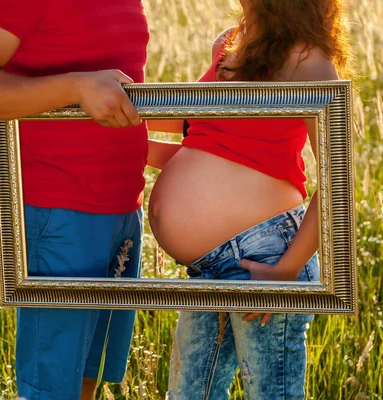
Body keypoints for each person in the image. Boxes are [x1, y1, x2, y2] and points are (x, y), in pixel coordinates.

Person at [0, 1, 150, 399]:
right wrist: (74, 87)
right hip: (60, 213)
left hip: (124, 207)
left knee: (88, 378)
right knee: (53, 391)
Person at [146, 0, 350, 398]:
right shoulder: (230, 45)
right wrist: (123, 128)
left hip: (265, 256)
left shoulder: (307, 60)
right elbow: (207, 144)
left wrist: (287, 270)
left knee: (271, 394)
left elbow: (338, 177)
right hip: (208, 267)